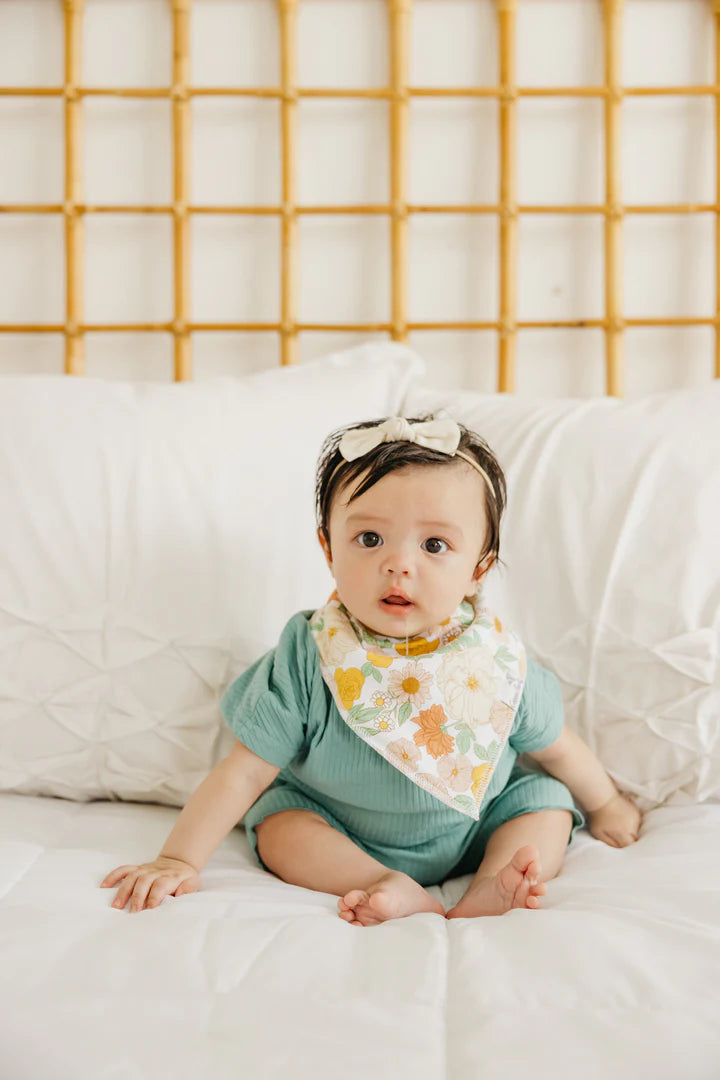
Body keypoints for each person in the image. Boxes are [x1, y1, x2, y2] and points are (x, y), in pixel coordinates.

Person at [101, 415, 642, 925]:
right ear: (328, 549)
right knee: (278, 823)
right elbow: (245, 771)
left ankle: (491, 885)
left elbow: (557, 748)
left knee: (545, 805)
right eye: (369, 539)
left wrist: (607, 803)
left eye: (434, 545)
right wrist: (178, 859)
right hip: (343, 832)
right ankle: (383, 882)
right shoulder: (310, 653)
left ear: (478, 569)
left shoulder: (496, 660)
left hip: (478, 823)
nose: (398, 564)